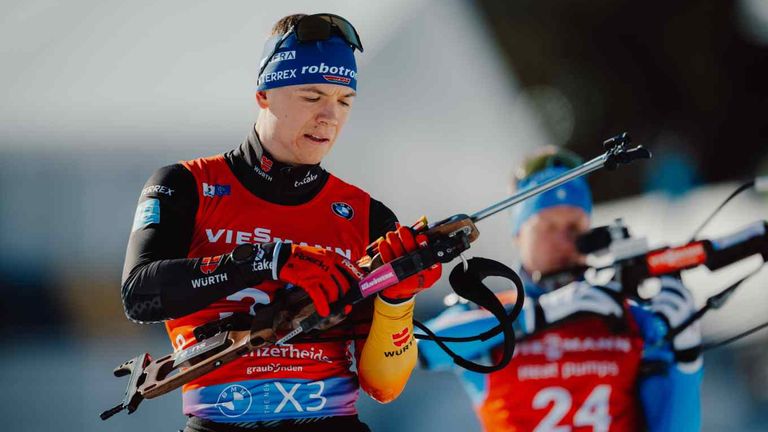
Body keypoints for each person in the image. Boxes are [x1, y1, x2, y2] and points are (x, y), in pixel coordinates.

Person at [121, 13, 441, 432]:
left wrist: (397, 302)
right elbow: (139, 294)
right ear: (264, 94)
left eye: (344, 101)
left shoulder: (366, 214)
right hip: (220, 422)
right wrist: (266, 259)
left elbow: (384, 385)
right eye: (312, 96)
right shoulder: (185, 185)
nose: (330, 116)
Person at [419, 147, 703, 431]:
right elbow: (422, 348)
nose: (564, 240)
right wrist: (544, 312)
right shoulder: (482, 311)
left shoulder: (621, 314)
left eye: (575, 226)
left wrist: (687, 359)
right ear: (519, 232)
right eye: (548, 226)